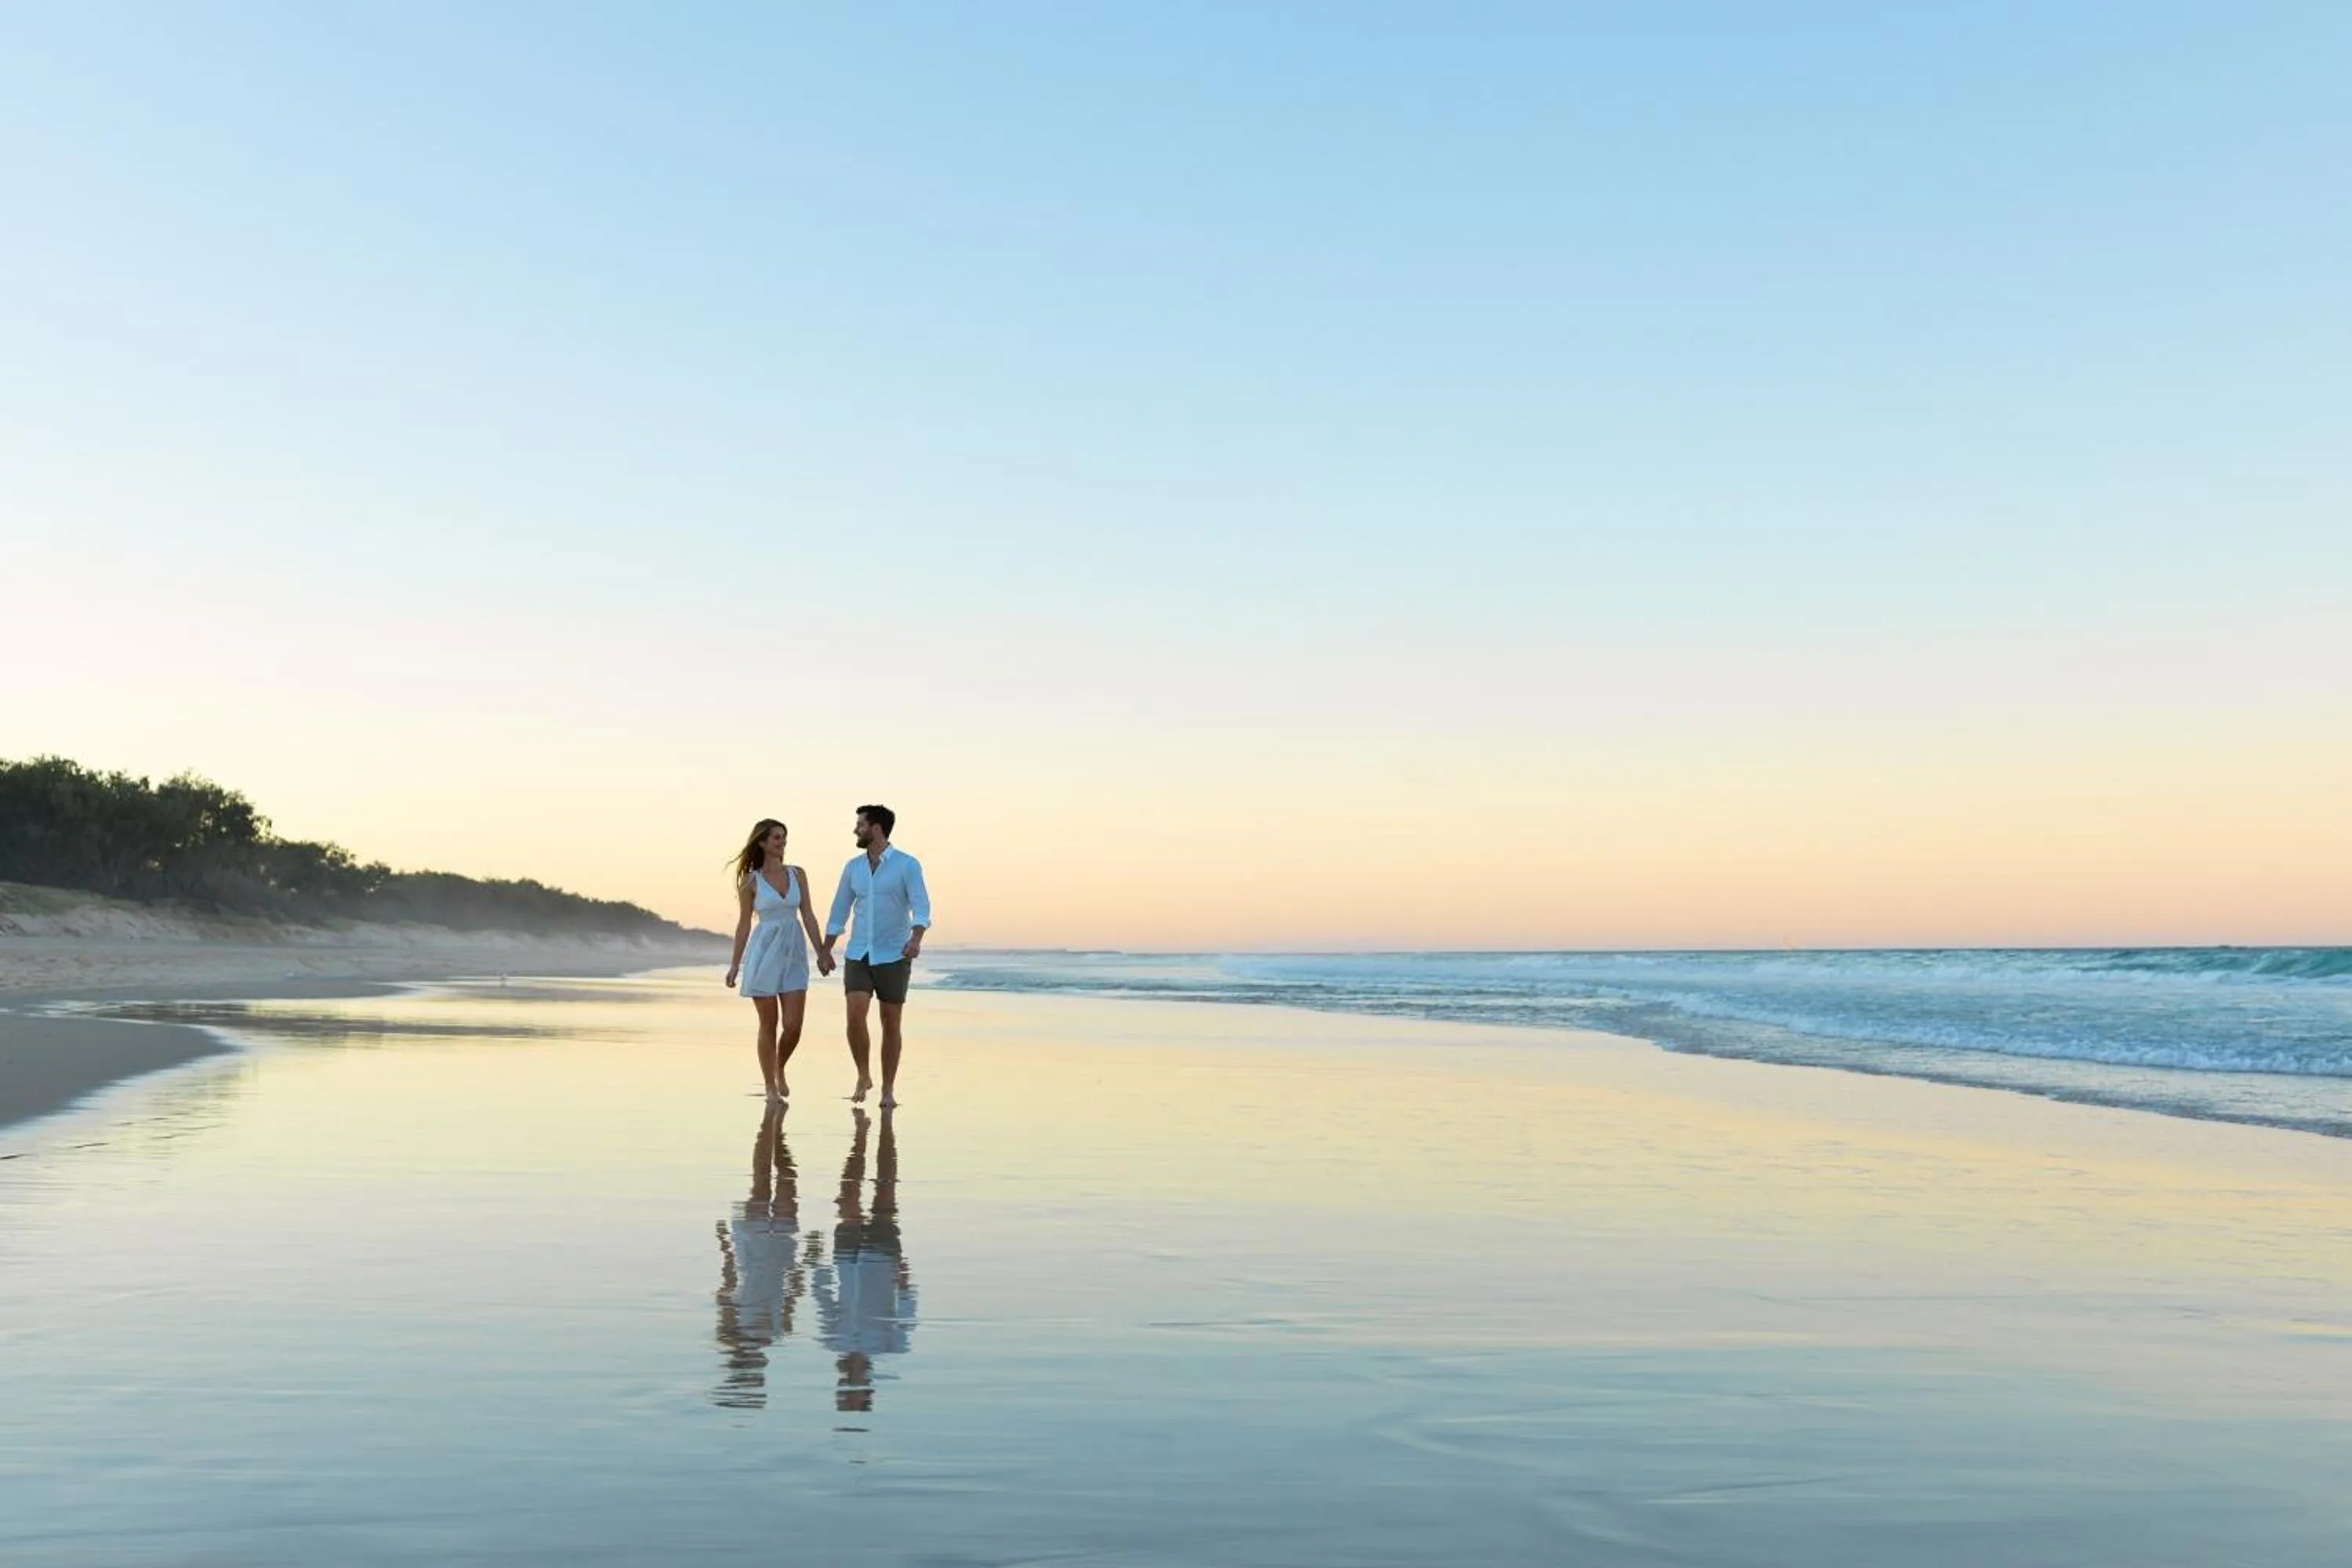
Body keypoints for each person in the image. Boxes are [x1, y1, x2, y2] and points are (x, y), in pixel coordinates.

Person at [819, 804, 931, 1108]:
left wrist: (916, 939)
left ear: (876, 828)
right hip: (859, 953)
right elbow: (839, 909)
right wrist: (826, 949)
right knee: (855, 1016)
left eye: (860, 825)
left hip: (894, 954)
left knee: (890, 1021)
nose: (856, 830)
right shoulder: (853, 867)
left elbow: (921, 907)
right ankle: (863, 1074)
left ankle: (888, 1090)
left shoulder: (907, 865)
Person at [724, 818, 834, 1101]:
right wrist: (735, 964)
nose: (782, 842)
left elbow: (807, 914)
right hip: (764, 952)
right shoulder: (751, 882)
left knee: (794, 1025)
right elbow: (744, 925)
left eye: (784, 837)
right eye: (776, 837)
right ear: (762, 842)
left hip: (794, 954)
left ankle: (779, 1066)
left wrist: (822, 951)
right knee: (768, 1023)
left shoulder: (798, 874)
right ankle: (770, 1087)